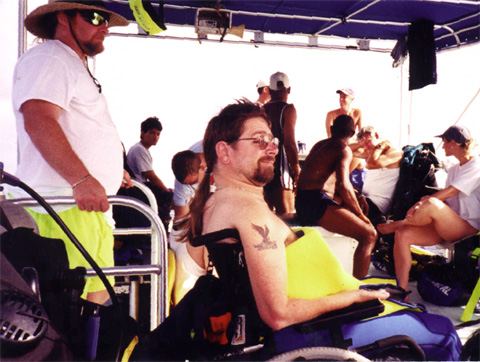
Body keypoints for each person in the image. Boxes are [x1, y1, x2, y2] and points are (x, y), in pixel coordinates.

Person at [130, 100, 461, 361]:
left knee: (406, 306)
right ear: (224, 151)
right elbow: (277, 314)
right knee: (444, 333)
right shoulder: (248, 213)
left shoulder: (218, 203)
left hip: (298, 317)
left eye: (272, 140)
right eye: (259, 141)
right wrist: (354, 296)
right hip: (307, 333)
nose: (273, 147)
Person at [9, 0, 129, 304]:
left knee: (94, 319)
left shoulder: (68, 62)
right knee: (74, 320)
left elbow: (77, 129)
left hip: (83, 211)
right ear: (63, 17)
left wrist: (110, 172)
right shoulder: (51, 56)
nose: (104, 27)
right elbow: (38, 119)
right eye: (94, 16)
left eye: (105, 19)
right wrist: (82, 179)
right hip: (62, 210)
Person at [378, 125, 479, 292]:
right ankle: (402, 291)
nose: (443, 146)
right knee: (402, 236)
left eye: (445, 142)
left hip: (468, 229)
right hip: (449, 225)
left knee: (431, 203)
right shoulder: (454, 170)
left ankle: (400, 222)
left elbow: (452, 191)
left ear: (453, 143)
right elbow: (449, 199)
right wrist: (426, 201)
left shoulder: (477, 165)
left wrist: (422, 204)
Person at [295, 115, 377, 278]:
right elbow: (343, 186)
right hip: (315, 203)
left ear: (332, 129)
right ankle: (357, 292)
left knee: (352, 208)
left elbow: (332, 181)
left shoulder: (320, 144)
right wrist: (361, 216)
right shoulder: (343, 149)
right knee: (369, 235)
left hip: (304, 201)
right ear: (353, 133)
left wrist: (357, 195)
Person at [170, 148, 207, 304]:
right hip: (189, 230)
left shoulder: (223, 164)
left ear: (202, 168)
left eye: (193, 182)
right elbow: (181, 216)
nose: (190, 186)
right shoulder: (184, 177)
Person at [263, 72, 300, 216]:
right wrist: (296, 169)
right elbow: (289, 143)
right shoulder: (288, 109)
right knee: (287, 217)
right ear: (289, 90)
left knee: (265, 219)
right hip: (280, 172)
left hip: (263, 170)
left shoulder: (260, 110)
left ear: (270, 90)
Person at [127, 116, 173, 230]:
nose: (156, 137)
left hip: (143, 188)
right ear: (142, 133)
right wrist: (166, 192)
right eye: (152, 133)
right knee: (172, 197)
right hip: (139, 190)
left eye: (158, 134)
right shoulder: (139, 149)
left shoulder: (143, 149)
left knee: (172, 195)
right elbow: (151, 176)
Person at [354, 126, 403, 226]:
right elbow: (346, 148)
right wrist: (362, 144)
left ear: (376, 135)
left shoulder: (395, 152)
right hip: (365, 200)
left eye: (368, 142)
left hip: (377, 205)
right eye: (364, 146)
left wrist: (379, 146)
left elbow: (371, 164)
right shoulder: (372, 153)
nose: (366, 148)